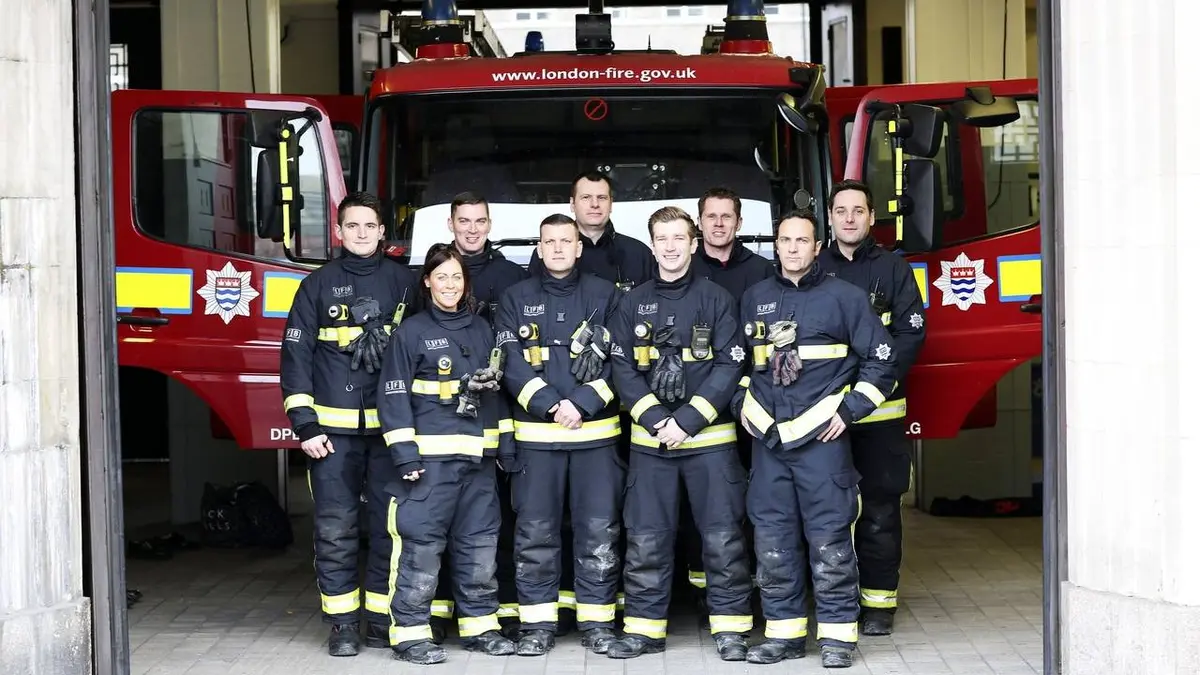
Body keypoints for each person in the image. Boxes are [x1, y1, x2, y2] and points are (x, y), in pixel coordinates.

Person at [732, 210, 898, 668]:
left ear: (816, 246)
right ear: (776, 246)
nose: (792, 248)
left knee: (829, 539)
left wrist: (851, 410)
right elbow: (739, 365)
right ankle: (784, 636)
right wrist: (742, 408)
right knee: (772, 540)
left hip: (822, 440)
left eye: (801, 240)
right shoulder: (755, 298)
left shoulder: (845, 298)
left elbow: (883, 361)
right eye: (785, 240)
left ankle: (838, 638)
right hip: (769, 443)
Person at [605, 206, 754, 661]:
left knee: (723, 538)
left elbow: (731, 363)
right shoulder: (630, 303)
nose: (670, 247)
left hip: (709, 444)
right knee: (646, 538)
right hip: (652, 446)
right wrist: (656, 421)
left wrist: (688, 420)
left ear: (693, 243)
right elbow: (621, 369)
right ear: (652, 247)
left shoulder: (717, 298)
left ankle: (731, 629)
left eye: (678, 238)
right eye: (661, 239)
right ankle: (645, 630)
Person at [279, 191, 419, 657]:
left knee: (388, 528)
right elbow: (295, 356)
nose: (360, 234)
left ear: (383, 232)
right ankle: (341, 624)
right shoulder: (316, 285)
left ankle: (380, 620)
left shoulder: (406, 284)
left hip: (390, 434)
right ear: (339, 231)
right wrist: (305, 424)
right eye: (352, 226)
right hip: (331, 436)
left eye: (369, 226)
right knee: (336, 529)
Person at [376, 244, 518, 665]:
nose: (450, 285)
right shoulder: (410, 333)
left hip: (477, 464)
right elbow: (393, 396)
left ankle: (480, 627)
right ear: (427, 281)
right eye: (442, 277)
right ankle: (410, 634)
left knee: (480, 546)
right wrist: (405, 456)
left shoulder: (482, 330)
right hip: (428, 465)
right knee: (420, 547)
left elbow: (498, 397)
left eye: (457, 277)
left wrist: (504, 447)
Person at [494, 214, 625, 656]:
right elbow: (509, 360)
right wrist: (552, 404)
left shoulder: (606, 295)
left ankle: (597, 623)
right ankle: (537, 626)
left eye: (565, 241)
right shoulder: (514, 297)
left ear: (578, 247)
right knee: (534, 534)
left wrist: (583, 403)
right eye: (549, 241)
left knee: (598, 532)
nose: (557, 249)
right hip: (538, 439)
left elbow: (622, 362)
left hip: (595, 438)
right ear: (539, 247)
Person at [817, 180, 927, 636]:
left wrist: (867, 388)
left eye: (857, 210)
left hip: (879, 415)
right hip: (823, 420)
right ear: (829, 217)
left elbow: (911, 333)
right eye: (840, 210)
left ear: (871, 217)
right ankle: (832, 602)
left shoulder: (894, 269)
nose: (848, 218)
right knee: (825, 512)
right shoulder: (811, 266)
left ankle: (879, 604)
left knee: (881, 510)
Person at [429, 191, 528, 639]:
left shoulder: (512, 276)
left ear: (490, 225)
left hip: (493, 426)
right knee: (440, 528)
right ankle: (440, 609)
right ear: (451, 224)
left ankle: (497, 611)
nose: (472, 228)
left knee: (496, 526)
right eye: (463, 221)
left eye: (479, 221)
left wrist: (505, 439)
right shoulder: (427, 281)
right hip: (441, 434)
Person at [682, 186, 776, 615]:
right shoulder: (682, 269)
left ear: (739, 223)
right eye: (710, 216)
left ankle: (749, 586)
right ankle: (700, 591)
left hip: (753, 404)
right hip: (699, 409)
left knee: (750, 500)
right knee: (699, 506)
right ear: (698, 223)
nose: (718, 223)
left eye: (726, 217)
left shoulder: (762, 271)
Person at [528, 171, 655, 293]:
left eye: (602, 198)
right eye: (586, 197)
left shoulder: (639, 253)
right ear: (572, 204)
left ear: (611, 204)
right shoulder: (549, 252)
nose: (594, 204)